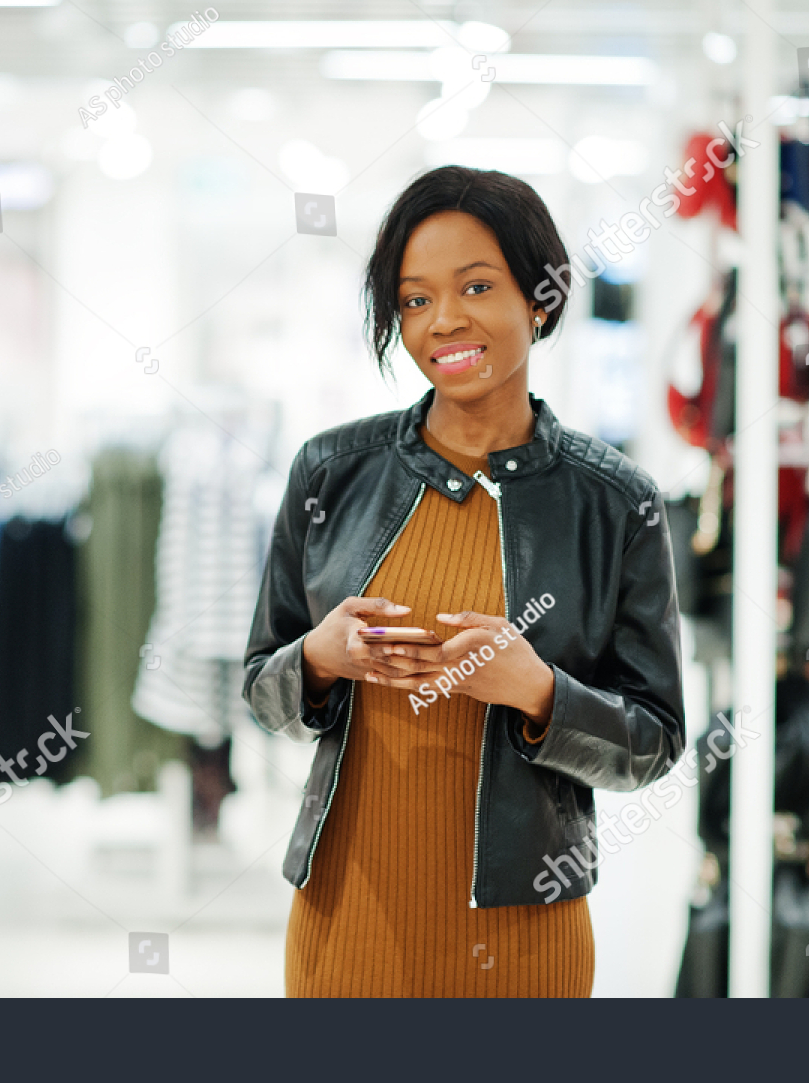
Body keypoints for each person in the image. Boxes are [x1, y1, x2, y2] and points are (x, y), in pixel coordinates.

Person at [243, 166, 686, 997]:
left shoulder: (614, 502)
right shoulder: (330, 473)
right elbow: (260, 688)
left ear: (540, 297)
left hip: (523, 938)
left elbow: (654, 741)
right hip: (348, 925)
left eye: (476, 286)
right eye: (413, 300)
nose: (443, 320)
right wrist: (319, 659)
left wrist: (540, 692)